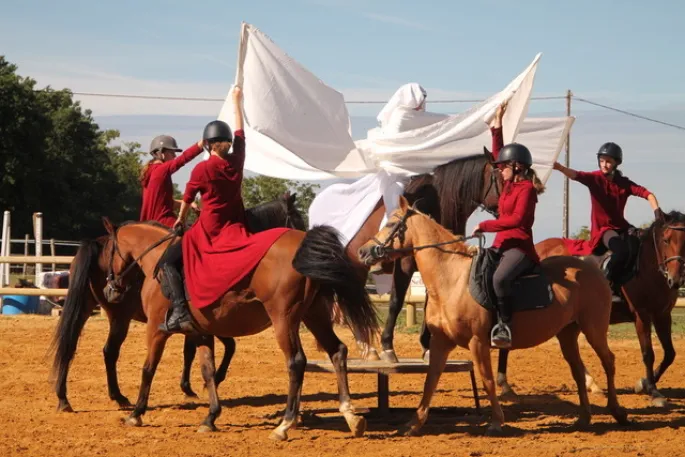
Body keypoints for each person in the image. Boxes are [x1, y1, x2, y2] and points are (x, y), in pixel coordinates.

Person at [159, 86, 290, 334]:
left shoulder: (201, 170)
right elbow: (242, 131)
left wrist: (180, 219)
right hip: (235, 226)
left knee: (168, 262)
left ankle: (178, 312)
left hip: (208, 230)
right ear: (228, 144)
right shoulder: (237, 159)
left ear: (208, 145)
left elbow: (187, 198)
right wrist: (237, 102)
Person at [552, 142, 663, 298]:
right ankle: (605, 284)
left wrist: (657, 213)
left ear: (616, 163)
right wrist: (560, 168)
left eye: (608, 161)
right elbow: (576, 175)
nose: (604, 164)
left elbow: (648, 194)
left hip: (622, 227)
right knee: (622, 250)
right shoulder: (595, 179)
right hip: (604, 230)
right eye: (602, 160)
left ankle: (632, 287)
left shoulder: (624, 183)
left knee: (640, 246)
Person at [472, 142, 545, 348]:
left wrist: (485, 225)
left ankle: (505, 326)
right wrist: (496, 127)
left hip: (519, 247)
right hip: (501, 245)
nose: (500, 170)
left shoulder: (527, 190)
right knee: (479, 271)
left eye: (503, 166)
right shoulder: (508, 185)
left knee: (500, 278)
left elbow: (516, 220)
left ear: (517, 167)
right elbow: (498, 153)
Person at [139, 135, 201, 228]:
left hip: (149, 225)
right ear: (161, 153)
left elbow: (165, 204)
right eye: (172, 152)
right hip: (163, 223)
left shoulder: (150, 171)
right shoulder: (161, 170)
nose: (175, 156)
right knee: (196, 237)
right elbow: (183, 159)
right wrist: (201, 145)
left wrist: (189, 204)